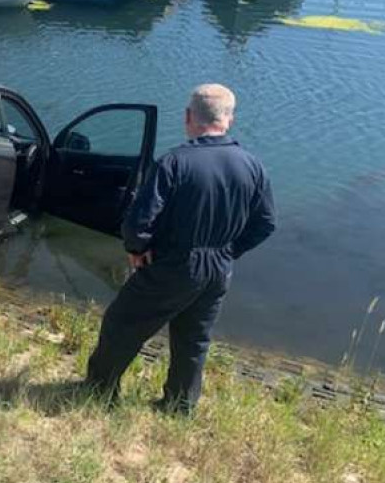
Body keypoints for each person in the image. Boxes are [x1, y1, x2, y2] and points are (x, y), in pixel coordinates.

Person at [83, 84, 276, 414]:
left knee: (122, 323)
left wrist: (137, 248)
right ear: (228, 119)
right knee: (194, 339)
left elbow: (138, 220)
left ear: (189, 117)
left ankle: (100, 392)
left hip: (176, 263)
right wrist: (230, 251)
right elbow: (266, 222)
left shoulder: (175, 162)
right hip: (218, 268)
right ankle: (179, 406)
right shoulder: (252, 165)